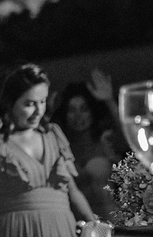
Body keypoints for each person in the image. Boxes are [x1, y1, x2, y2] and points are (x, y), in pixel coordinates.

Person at [0, 65, 96, 237]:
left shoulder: (52, 134)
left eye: (43, 101)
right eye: (29, 104)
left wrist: (95, 232)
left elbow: (72, 191)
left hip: (62, 235)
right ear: (9, 104)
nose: (39, 111)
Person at [50, 74, 120, 219]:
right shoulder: (57, 144)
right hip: (74, 225)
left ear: (92, 111)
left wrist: (109, 101)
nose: (78, 116)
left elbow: (131, 136)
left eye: (84, 109)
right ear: (64, 114)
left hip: (111, 223)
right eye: (72, 110)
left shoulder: (105, 140)